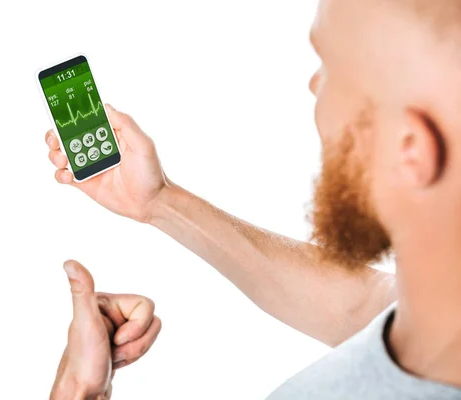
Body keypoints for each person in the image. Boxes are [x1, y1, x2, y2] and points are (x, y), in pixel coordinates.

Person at [44, 0, 461, 398]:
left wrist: (76, 392)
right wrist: (160, 202)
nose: (313, 85)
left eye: (331, 66)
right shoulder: (436, 310)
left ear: (410, 148)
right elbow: (360, 307)